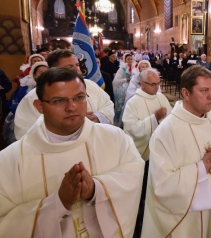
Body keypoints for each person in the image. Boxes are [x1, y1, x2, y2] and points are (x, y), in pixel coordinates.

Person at [0, 68, 145, 237]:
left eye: (79, 97)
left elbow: (133, 173)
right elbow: (5, 222)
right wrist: (58, 203)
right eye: (59, 100)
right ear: (39, 106)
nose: (72, 107)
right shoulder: (10, 160)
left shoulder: (116, 138)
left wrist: (96, 189)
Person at [142, 65, 211, 237]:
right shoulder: (166, 132)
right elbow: (163, 186)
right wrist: (202, 168)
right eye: (204, 90)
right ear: (186, 94)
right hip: (191, 221)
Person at [14, 50, 115, 140]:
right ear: (53, 69)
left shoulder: (91, 85)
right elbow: (26, 130)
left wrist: (97, 117)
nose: (76, 69)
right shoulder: (34, 97)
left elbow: (108, 105)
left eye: (77, 65)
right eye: (70, 67)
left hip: (94, 141)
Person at [122, 68, 172, 237]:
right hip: (143, 154)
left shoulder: (161, 97)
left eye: (158, 83)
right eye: (152, 84)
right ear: (142, 84)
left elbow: (172, 120)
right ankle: (140, 221)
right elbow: (131, 128)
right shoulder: (133, 102)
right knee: (143, 190)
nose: (157, 88)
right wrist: (153, 119)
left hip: (161, 152)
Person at [113, 53, 134, 127]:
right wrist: (126, 79)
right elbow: (116, 81)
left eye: (131, 59)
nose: (130, 60)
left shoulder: (134, 68)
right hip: (124, 90)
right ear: (125, 60)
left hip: (132, 88)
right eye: (128, 59)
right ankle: (121, 123)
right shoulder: (122, 69)